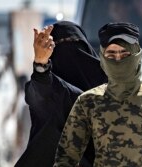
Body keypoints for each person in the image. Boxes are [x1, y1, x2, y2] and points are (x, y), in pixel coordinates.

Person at [54, 22, 142, 167]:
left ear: (136, 55)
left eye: (125, 54)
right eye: (111, 54)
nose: (118, 60)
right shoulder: (88, 101)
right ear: (103, 57)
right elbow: (66, 158)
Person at [14, 21, 107, 167]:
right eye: (60, 46)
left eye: (74, 43)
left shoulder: (107, 89)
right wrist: (41, 63)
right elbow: (41, 90)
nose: (69, 52)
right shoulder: (51, 93)